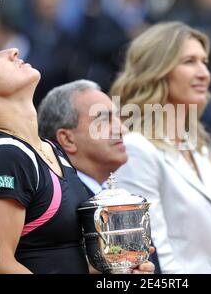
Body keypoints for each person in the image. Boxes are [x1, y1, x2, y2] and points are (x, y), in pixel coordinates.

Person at [0, 47, 154, 274]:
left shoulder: (51, 150)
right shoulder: (3, 157)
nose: (12, 51)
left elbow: (63, 260)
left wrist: (119, 270)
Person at [109, 21, 211, 274]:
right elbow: (154, 251)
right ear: (157, 71)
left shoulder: (203, 148)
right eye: (189, 61)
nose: (204, 72)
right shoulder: (136, 149)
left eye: (204, 61)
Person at [37, 79, 161, 273]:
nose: (122, 129)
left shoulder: (121, 197)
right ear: (68, 139)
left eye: (118, 118)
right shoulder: (55, 209)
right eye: (105, 120)